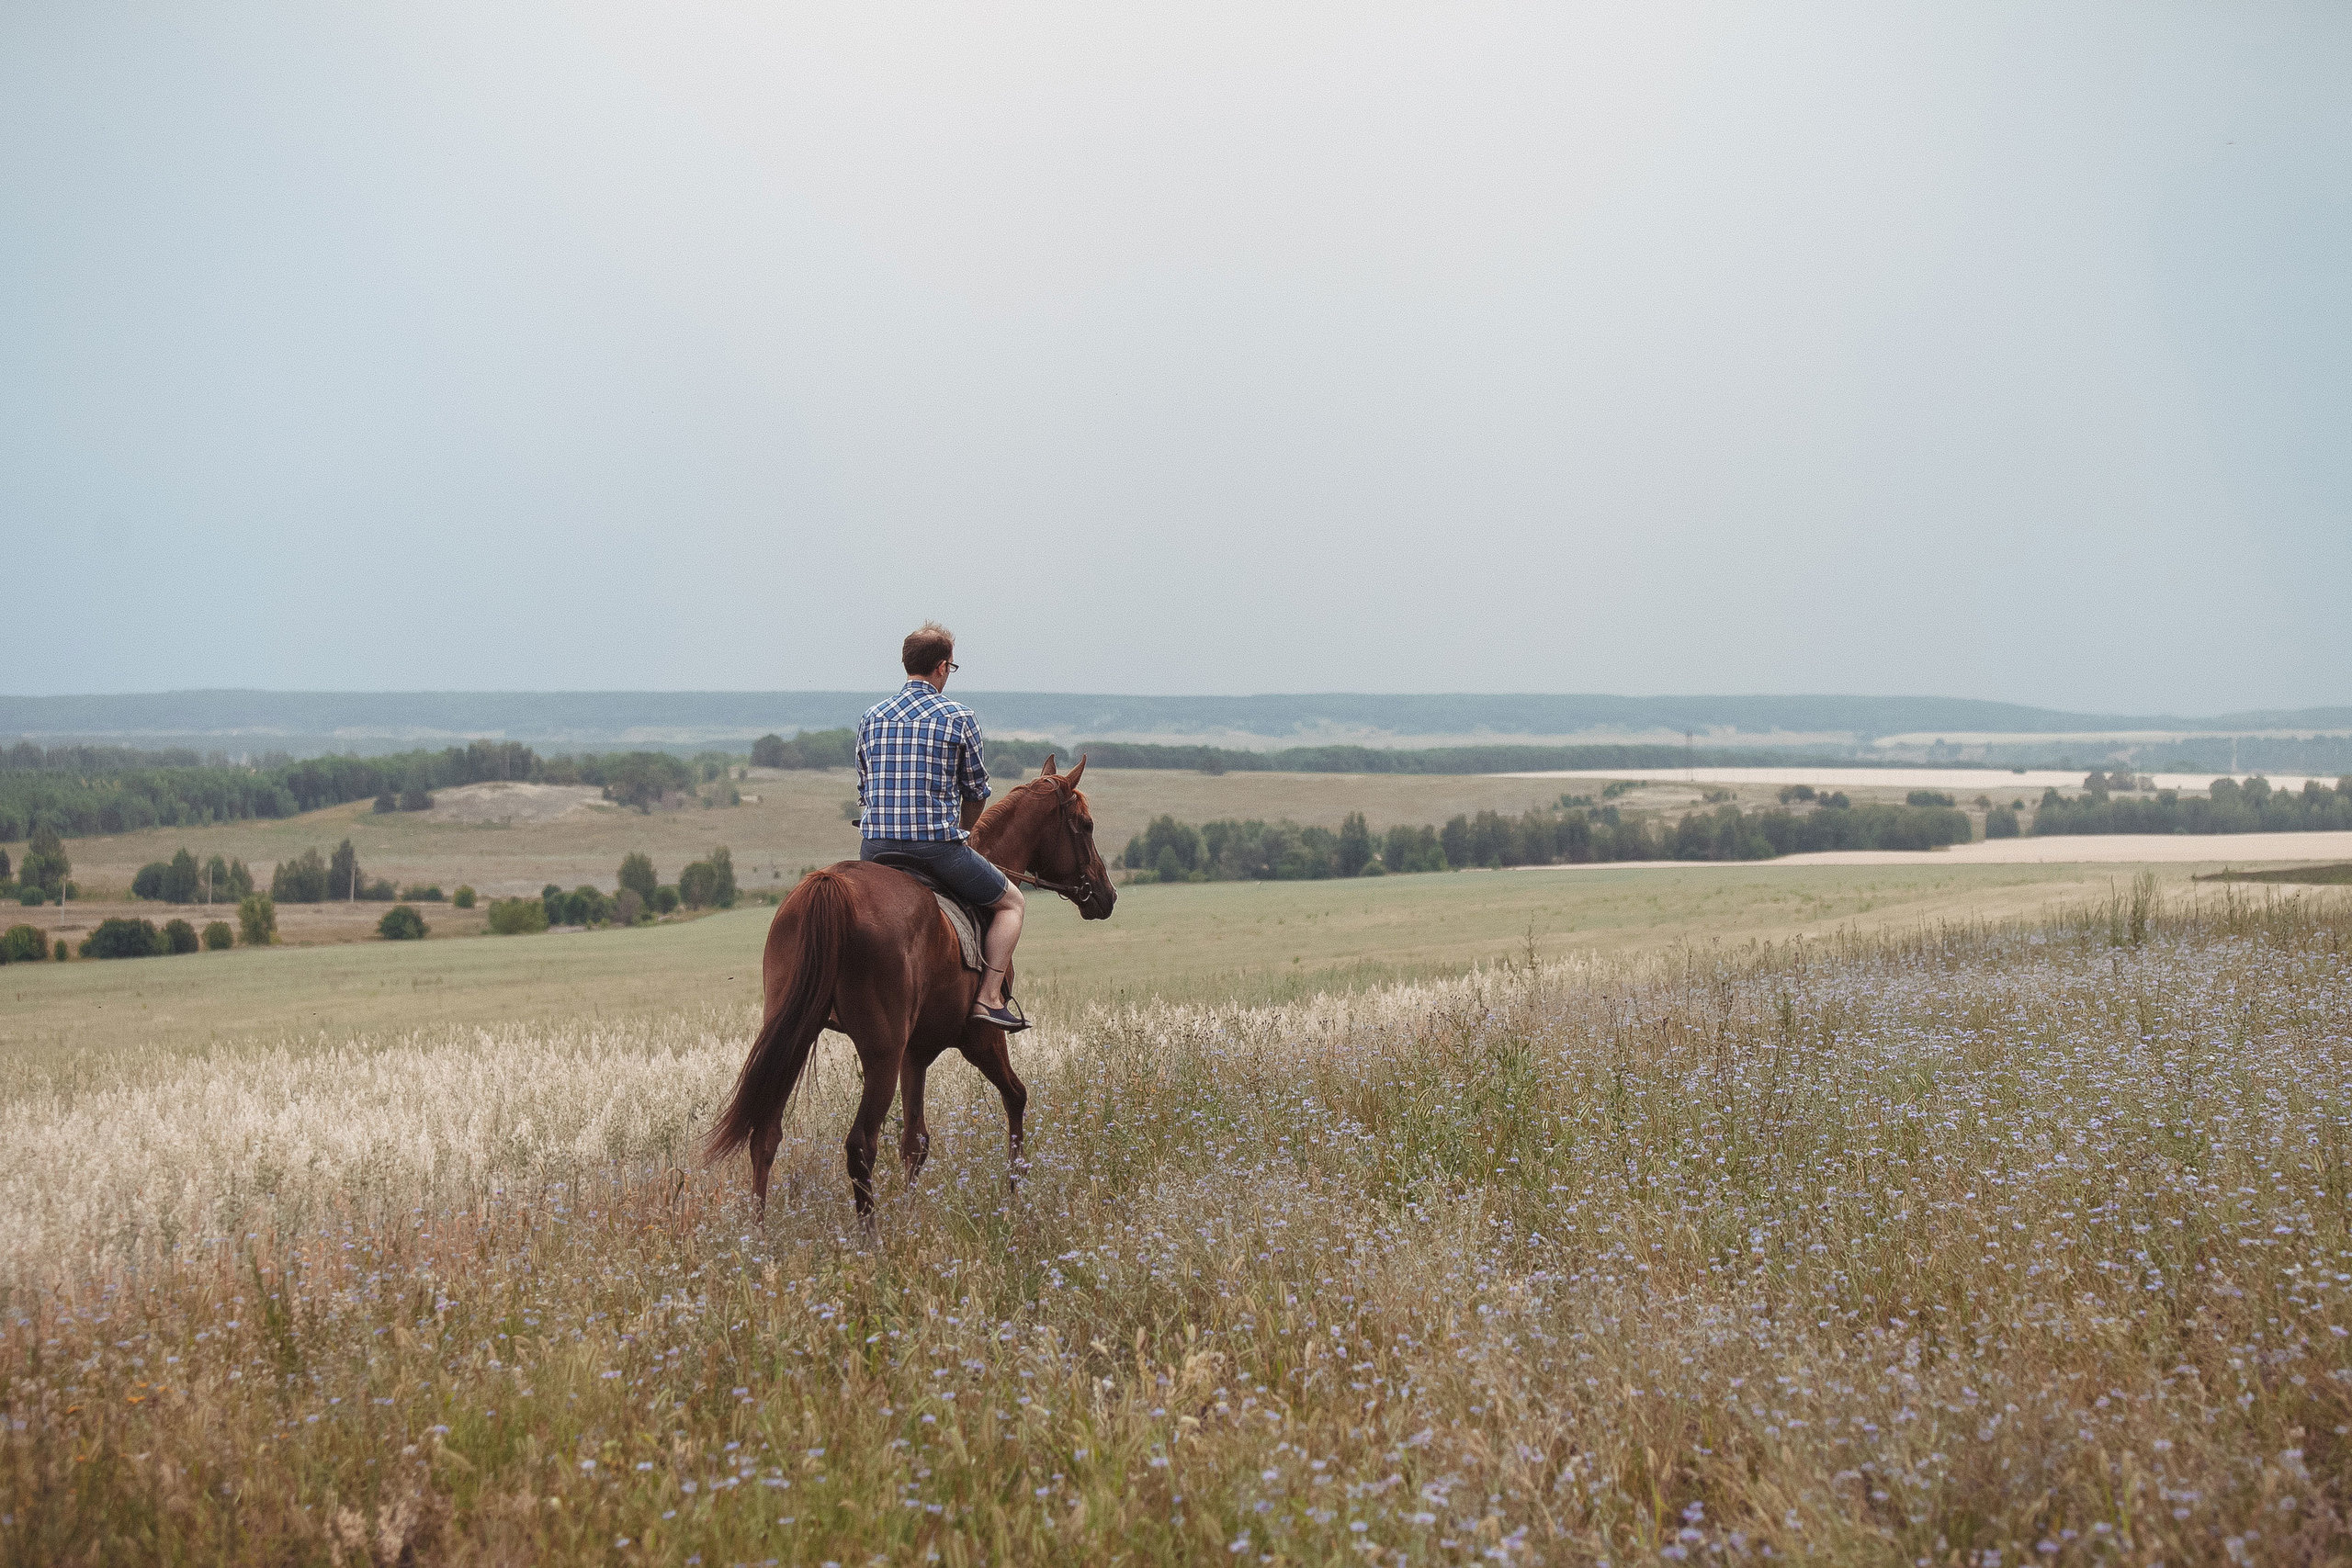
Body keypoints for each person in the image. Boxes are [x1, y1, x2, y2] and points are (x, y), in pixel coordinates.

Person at [856, 621, 1028, 1032]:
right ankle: (988, 999)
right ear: (941, 667)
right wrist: (966, 833)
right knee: (1012, 904)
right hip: (935, 848)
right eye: (951, 667)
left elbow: (865, 788)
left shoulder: (872, 716)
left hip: (874, 850)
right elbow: (976, 791)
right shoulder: (959, 717)